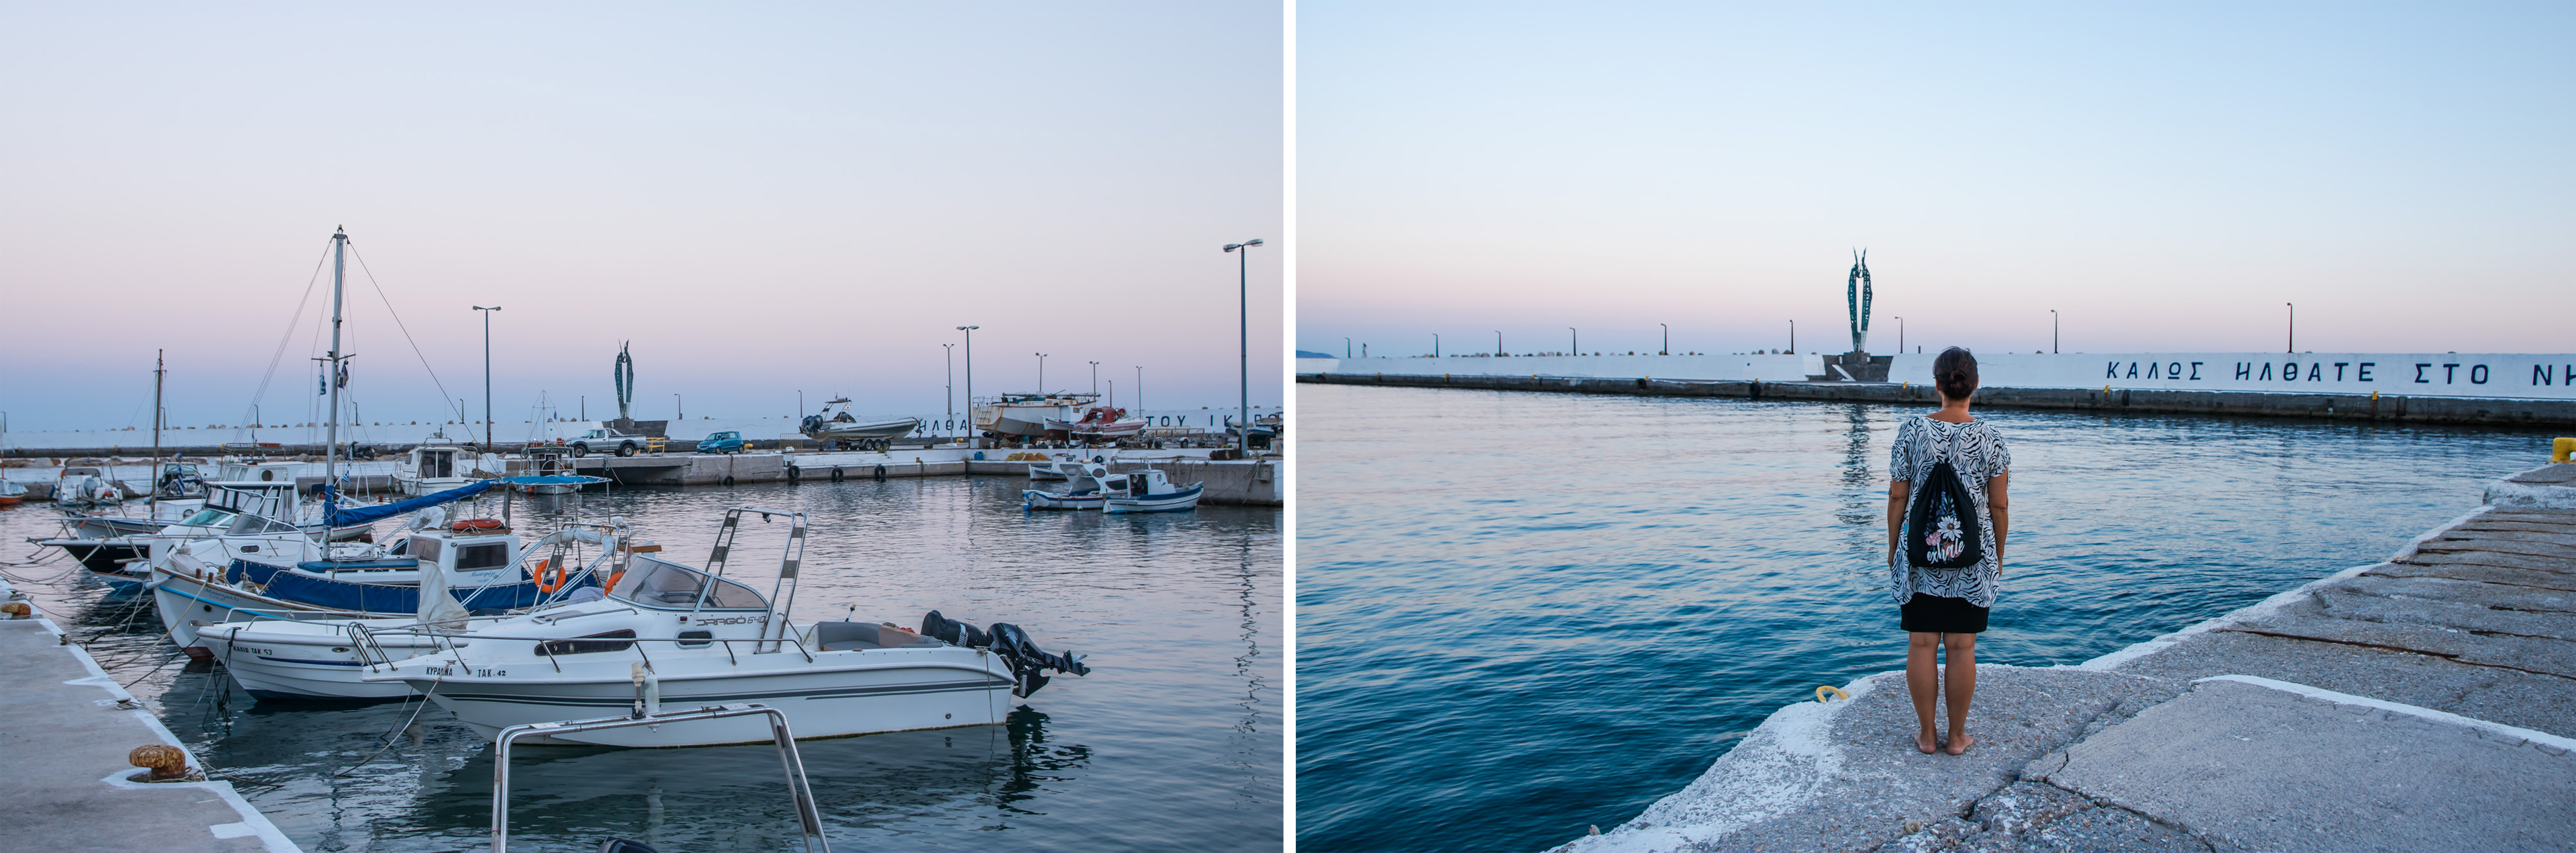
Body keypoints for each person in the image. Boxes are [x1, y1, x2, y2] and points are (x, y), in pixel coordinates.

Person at [1886, 346, 2010, 755]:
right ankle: (1956, 737)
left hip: (1920, 554)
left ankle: (1926, 735)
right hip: (1972, 559)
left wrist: (1893, 550)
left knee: (1922, 643)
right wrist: (2000, 554)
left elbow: (1896, 496)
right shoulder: (1991, 437)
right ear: (1974, 385)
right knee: (1962, 646)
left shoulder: (1911, 431)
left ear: (1937, 384)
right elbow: (1999, 506)